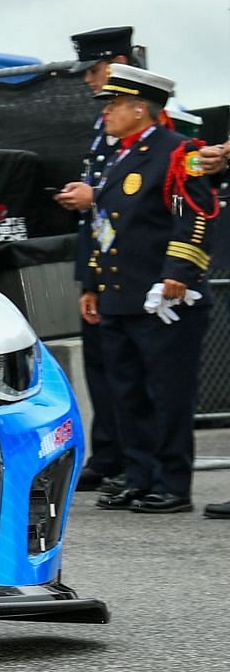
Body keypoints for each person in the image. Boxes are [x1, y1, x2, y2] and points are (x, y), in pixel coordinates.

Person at [77, 66, 216, 515]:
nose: (107, 113)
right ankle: (137, 477)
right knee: (127, 393)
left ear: (140, 108)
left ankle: (171, 483)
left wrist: (178, 270)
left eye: (114, 105)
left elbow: (189, 211)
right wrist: (95, 284)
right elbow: (105, 227)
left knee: (166, 394)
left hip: (163, 299)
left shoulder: (177, 153)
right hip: (120, 295)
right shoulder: (119, 156)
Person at [53, 25, 136, 493]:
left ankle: (135, 462)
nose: (88, 80)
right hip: (103, 267)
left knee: (132, 378)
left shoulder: (161, 124)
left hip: (137, 271)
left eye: (95, 69)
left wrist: (96, 194)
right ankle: (109, 456)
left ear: (119, 64)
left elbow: (170, 199)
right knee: (103, 372)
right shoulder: (104, 126)